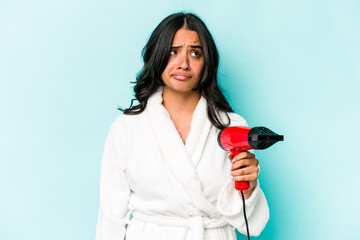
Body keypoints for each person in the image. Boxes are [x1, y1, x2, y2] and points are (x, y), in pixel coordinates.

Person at [95, 12, 269, 240]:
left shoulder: (232, 126)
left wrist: (248, 189)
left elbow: (248, 224)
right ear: (157, 57)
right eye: (172, 52)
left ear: (207, 62)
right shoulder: (127, 128)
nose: (183, 64)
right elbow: (111, 217)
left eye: (195, 53)